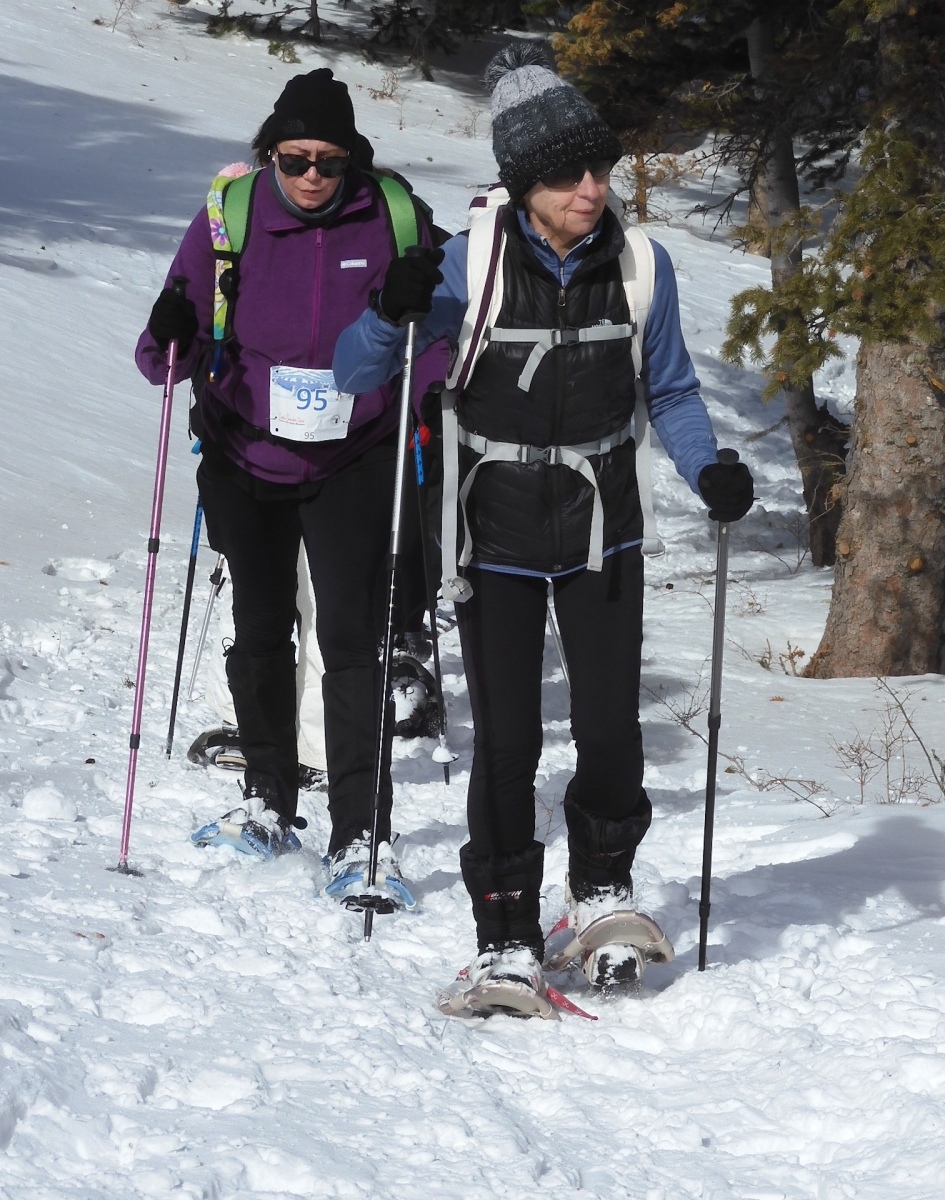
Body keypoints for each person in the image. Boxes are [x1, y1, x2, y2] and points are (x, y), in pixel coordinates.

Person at [333, 45, 755, 1013]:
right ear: (523, 185)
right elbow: (360, 373)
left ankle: (600, 888)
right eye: (568, 175)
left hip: (604, 528)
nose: (591, 190)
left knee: (610, 732)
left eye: (599, 168)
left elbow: (671, 392)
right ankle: (505, 933)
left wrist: (708, 470)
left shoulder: (642, 266)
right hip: (497, 534)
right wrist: (389, 311)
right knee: (508, 742)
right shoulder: (468, 263)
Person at [136, 69, 446, 904]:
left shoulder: (392, 217)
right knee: (260, 630)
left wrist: (426, 391)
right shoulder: (229, 218)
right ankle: (268, 797)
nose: (312, 175)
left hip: (353, 458)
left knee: (349, 643)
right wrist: (170, 334)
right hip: (244, 454)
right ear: (269, 153)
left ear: (352, 161)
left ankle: (361, 834)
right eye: (295, 158)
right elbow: (163, 349)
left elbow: (437, 333)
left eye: (329, 161)